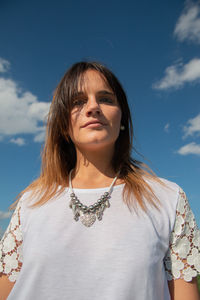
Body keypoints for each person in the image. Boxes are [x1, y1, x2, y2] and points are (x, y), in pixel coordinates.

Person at [0, 61, 199, 300]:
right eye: (78, 101)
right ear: (64, 125)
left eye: (106, 99)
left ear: (122, 119)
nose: (93, 107)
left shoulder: (168, 198)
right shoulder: (31, 202)